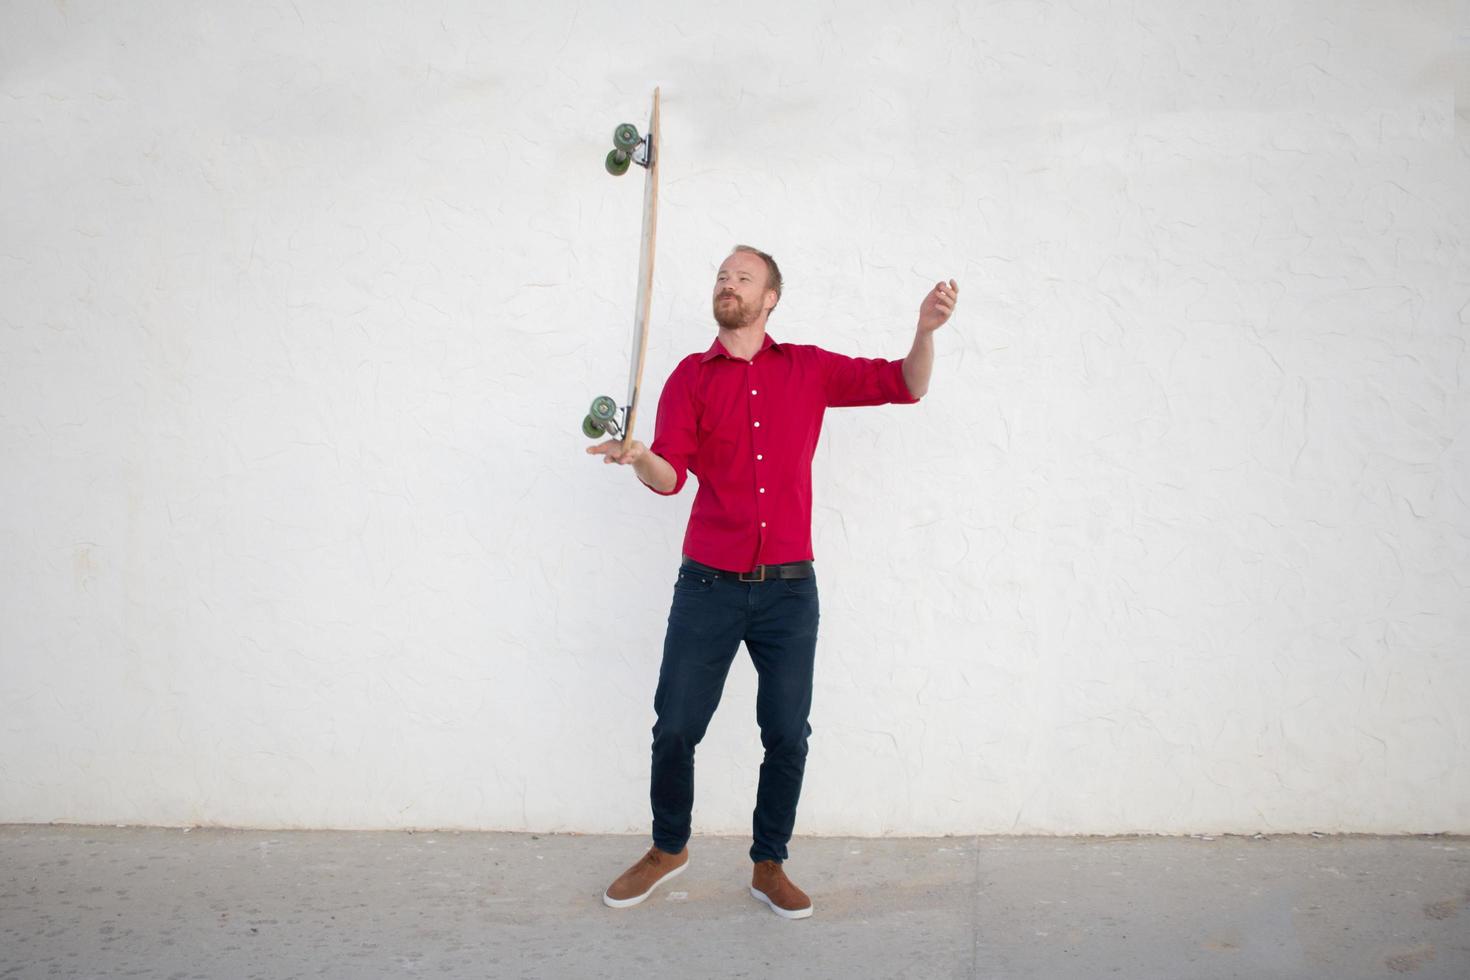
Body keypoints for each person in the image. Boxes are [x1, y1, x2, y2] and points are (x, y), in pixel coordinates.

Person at [586, 245, 958, 919]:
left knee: (787, 731)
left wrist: (924, 333)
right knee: (675, 726)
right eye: (722, 276)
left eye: (743, 277)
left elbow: (907, 385)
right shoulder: (688, 379)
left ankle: (769, 863)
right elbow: (670, 477)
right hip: (708, 586)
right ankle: (668, 848)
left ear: (771, 298)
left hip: (789, 590)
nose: (728, 284)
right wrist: (640, 456)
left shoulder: (808, 369)